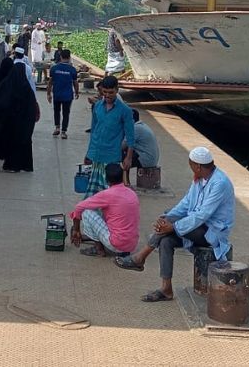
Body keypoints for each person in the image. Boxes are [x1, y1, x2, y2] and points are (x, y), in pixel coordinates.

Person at [115, 147, 236, 303]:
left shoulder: (220, 183)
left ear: (198, 166)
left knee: (170, 227)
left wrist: (172, 225)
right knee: (166, 241)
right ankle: (166, 289)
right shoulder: (200, 179)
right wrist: (166, 218)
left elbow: (202, 215)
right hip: (195, 227)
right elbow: (185, 204)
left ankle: (140, 257)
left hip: (212, 232)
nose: (191, 168)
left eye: (191, 165)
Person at [69, 163, 140, 257]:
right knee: (109, 212)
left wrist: (76, 229)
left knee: (86, 212)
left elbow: (79, 207)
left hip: (116, 244)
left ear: (106, 179)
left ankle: (98, 249)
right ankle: (97, 238)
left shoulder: (107, 194)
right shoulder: (132, 193)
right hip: (131, 245)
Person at [83, 76, 134, 198]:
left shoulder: (125, 111)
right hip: (96, 154)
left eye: (111, 92)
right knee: (94, 191)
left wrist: (128, 158)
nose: (107, 95)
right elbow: (94, 130)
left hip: (112, 156)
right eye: (104, 92)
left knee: (110, 192)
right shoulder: (97, 106)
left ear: (117, 90)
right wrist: (89, 152)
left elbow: (131, 136)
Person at [0, 59, 39, 172]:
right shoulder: (27, 90)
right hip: (25, 123)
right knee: (25, 143)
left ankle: (12, 165)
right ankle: (26, 165)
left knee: (12, 143)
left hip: (10, 122)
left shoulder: (6, 86)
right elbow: (31, 109)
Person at [47, 49, 80, 139]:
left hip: (57, 94)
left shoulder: (54, 68)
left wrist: (48, 94)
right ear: (69, 58)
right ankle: (63, 132)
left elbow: (50, 82)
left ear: (60, 57)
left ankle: (57, 127)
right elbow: (75, 83)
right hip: (67, 96)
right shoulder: (72, 70)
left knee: (56, 111)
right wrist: (77, 92)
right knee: (66, 113)